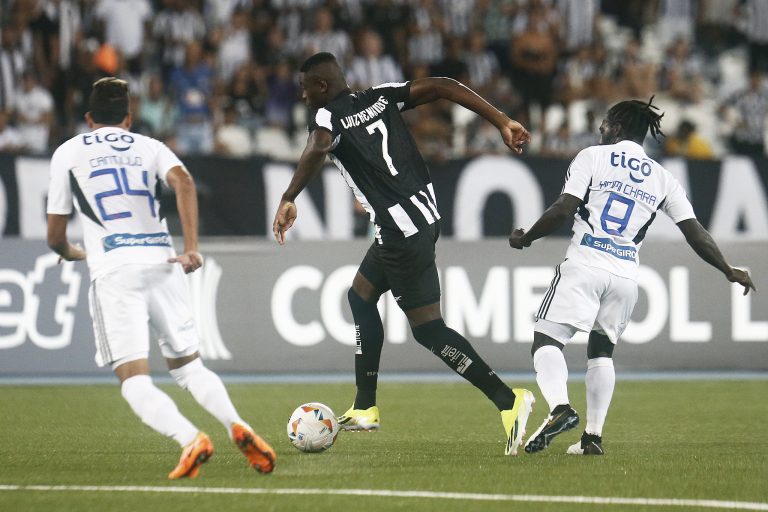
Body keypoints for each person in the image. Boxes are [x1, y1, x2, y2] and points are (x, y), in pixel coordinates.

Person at [272, 52, 534, 455]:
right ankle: (364, 407)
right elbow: (444, 85)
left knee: (428, 329)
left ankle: (509, 401)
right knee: (359, 295)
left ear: (321, 87)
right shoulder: (380, 96)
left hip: (400, 231)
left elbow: (319, 145)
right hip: (422, 218)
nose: (304, 97)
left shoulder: (326, 117)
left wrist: (289, 196)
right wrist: (502, 120)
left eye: (306, 89)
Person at [46, 77, 276, 478]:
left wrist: (72, 253)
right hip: (163, 262)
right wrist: (191, 248)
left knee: (134, 381)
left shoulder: (66, 152)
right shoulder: (150, 146)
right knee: (189, 368)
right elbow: (184, 183)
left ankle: (191, 439)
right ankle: (239, 425)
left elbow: (55, 235)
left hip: (115, 270)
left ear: (88, 118)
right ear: (129, 118)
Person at [509, 97, 756, 455]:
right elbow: (695, 232)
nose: (600, 129)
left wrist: (527, 237)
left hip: (586, 262)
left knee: (546, 340)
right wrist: (727, 269)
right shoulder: (663, 178)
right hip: (625, 275)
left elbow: (564, 208)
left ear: (618, 127)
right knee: (601, 352)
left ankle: (561, 408)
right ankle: (592, 438)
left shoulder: (592, 157)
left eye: (606, 123)